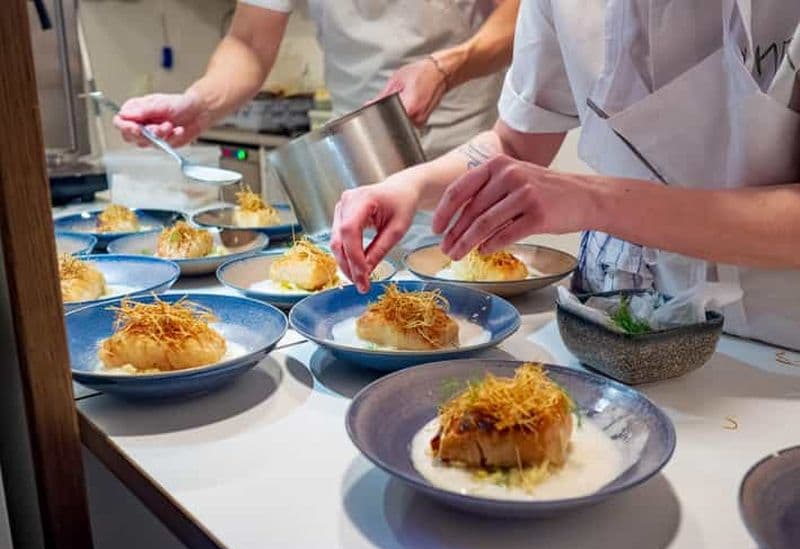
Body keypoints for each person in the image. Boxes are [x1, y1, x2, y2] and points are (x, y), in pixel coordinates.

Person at [331, 0, 800, 350]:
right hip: (628, 328)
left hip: (781, 339)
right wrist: (410, 185)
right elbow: (515, 144)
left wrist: (593, 200)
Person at [114, 0, 520, 159]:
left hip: (468, 155)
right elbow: (249, 42)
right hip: (358, 158)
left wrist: (446, 69)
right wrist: (198, 104)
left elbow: (525, 15)